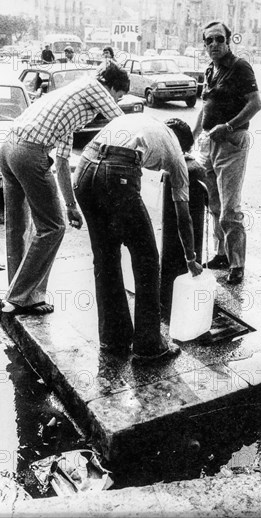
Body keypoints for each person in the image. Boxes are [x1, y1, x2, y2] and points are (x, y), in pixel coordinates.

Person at [0, 63, 129, 315]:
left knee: (18, 225)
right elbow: (121, 120)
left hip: (9, 148)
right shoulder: (94, 85)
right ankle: (22, 297)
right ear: (111, 87)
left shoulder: (72, 101)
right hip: (29, 151)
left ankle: (16, 291)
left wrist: (71, 206)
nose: (115, 100)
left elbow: (61, 162)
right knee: (53, 227)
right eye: (118, 95)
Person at [73, 114, 203, 362]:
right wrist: (190, 258)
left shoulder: (144, 120)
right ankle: (149, 344)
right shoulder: (177, 152)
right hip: (117, 172)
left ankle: (113, 338)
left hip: (84, 168)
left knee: (106, 257)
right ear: (184, 145)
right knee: (146, 260)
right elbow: (183, 217)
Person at [192, 20, 261, 285]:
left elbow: (256, 104)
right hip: (209, 143)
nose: (213, 45)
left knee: (229, 209)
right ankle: (221, 254)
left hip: (231, 142)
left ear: (228, 40)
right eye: (208, 41)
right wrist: (193, 134)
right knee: (213, 203)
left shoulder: (240, 66)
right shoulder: (210, 69)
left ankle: (236, 264)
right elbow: (204, 107)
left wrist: (229, 125)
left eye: (218, 39)